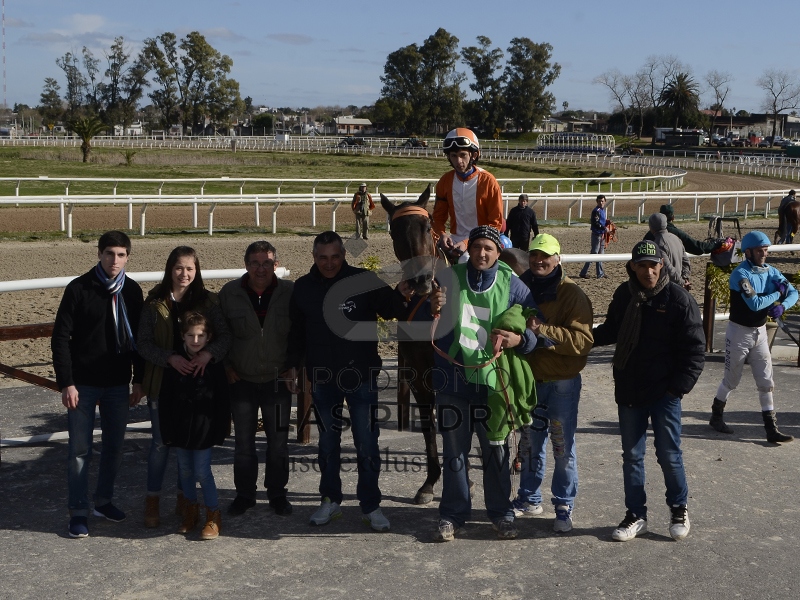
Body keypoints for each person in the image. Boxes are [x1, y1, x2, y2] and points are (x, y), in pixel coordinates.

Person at [286, 231, 409, 532]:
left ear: (343, 254)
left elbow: (391, 309)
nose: (329, 263)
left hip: (361, 377)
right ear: (313, 257)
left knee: (366, 442)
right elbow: (296, 333)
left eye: (335, 257)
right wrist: (292, 367)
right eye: (322, 258)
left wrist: (402, 292)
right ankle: (330, 500)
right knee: (328, 443)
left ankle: (371, 505)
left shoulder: (364, 280)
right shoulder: (302, 287)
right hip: (323, 379)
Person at [429, 225, 539, 542]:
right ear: (470, 249)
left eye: (488, 248)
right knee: (455, 453)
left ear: (497, 253)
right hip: (453, 383)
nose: (481, 253)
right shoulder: (448, 279)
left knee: (496, 453)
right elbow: (428, 322)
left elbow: (536, 330)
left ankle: (501, 513)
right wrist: (432, 308)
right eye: (476, 247)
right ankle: (452, 515)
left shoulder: (515, 286)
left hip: (494, 386)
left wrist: (522, 340)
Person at [593, 240, 705, 542]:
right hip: (630, 389)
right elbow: (611, 330)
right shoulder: (624, 294)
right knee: (632, 456)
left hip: (664, 394)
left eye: (653, 265)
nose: (648, 272)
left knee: (669, 455)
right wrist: (577, 338)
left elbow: (695, 351)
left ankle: (678, 508)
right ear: (633, 267)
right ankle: (635, 514)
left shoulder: (679, 300)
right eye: (641, 266)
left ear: (662, 265)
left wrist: (676, 390)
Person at [51, 230, 144, 539]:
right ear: (99, 254)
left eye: (120, 255)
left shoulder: (132, 291)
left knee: (114, 448)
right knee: (79, 451)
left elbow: (139, 341)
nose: (114, 260)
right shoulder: (78, 288)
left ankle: (103, 501)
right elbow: (60, 338)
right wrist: (67, 382)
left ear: (127, 257)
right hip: (83, 385)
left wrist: (139, 380)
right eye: (109, 253)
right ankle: (78, 511)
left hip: (118, 384)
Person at [137, 246, 231, 528]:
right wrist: (169, 358)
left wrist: (208, 354)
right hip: (163, 384)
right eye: (179, 267)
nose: (184, 274)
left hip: (200, 385)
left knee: (189, 448)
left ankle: (185, 501)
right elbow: (142, 343)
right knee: (161, 444)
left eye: (190, 268)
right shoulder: (154, 304)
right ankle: (153, 499)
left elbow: (225, 337)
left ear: (196, 270)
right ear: (170, 269)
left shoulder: (208, 302)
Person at [512, 233, 594, 534]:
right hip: (530, 381)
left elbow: (583, 341)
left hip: (562, 383)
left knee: (562, 446)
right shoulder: (521, 288)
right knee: (530, 445)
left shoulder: (572, 294)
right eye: (534, 255)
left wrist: (542, 331)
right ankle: (529, 497)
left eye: (545, 256)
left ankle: (563, 504)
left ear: (558, 259)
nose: (539, 261)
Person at [218, 241, 295, 517]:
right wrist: (226, 366)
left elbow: (300, 333)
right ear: (246, 264)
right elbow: (219, 333)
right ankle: (245, 495)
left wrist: (295, 366)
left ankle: (277, 494)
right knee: (243, 444)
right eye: (255, 263)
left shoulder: (290, 293)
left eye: (267, 263)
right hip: (242, 380)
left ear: (276, 265)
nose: (261, 269)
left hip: (277, 380)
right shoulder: (229, 293)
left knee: (278, 443)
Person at [708, 231, 798, 443]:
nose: (764, 254)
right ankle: (716, 415)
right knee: (732, 380)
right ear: (748, 252)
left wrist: (784, 305)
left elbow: (794, 293)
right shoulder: (740, 275)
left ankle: (771, 429)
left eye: (766, 250)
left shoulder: (771, 271)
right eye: (760, 251)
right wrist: (777, 295)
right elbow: (755, 304)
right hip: (738, 333)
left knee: (766, 380)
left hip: (760, 333)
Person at [159, 312, 230, 540]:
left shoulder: (214, 365)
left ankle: (213, 514)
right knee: (185, 471)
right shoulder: (175, 363)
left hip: (204, 430)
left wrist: (221, 429)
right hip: (180, 429)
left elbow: (222, 400)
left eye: (200, 336)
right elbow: (165, 399)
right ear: (183, 336)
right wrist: (167, 431)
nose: (195, 340)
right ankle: (190, 511)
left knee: (202, 471)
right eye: (191, 335)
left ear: (208, 337)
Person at [432, 128, 504, 261]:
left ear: (474, 155)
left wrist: (467, 242)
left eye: (463, 155)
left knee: (464, 260)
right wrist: (442, 234)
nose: (458, 161)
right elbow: (438, 218)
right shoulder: (445, 181)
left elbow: (495, 223)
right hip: (454, 238)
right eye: (454, 156)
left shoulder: (489, 182)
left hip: (482, 238)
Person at [645, 204, 722, 255]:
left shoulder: (649, 234)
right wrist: (716, 244)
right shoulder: (676, 233)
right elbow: (698, 248)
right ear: (673, 218)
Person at [645, 213, 690, 287]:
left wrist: (681, 282)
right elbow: (685, 261)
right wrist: (685, 278)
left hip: (669, 286)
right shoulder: (676, 238)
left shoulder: (658, 243)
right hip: (679, 284)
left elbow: (667, 267)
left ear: (651, 226)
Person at [579, 195, 608, 279]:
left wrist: (607, 223)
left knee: (600, 254)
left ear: (605, 201)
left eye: (602, 201)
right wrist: (604, 228)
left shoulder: (602, 210)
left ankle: (600, 273)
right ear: (597, 202)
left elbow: (601, 221)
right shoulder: (596, 211)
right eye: (599, 201)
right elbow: (595, 223)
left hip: (601, 235)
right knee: (594, 254)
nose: (601, 203)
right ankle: (583, 272)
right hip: (597, 235)